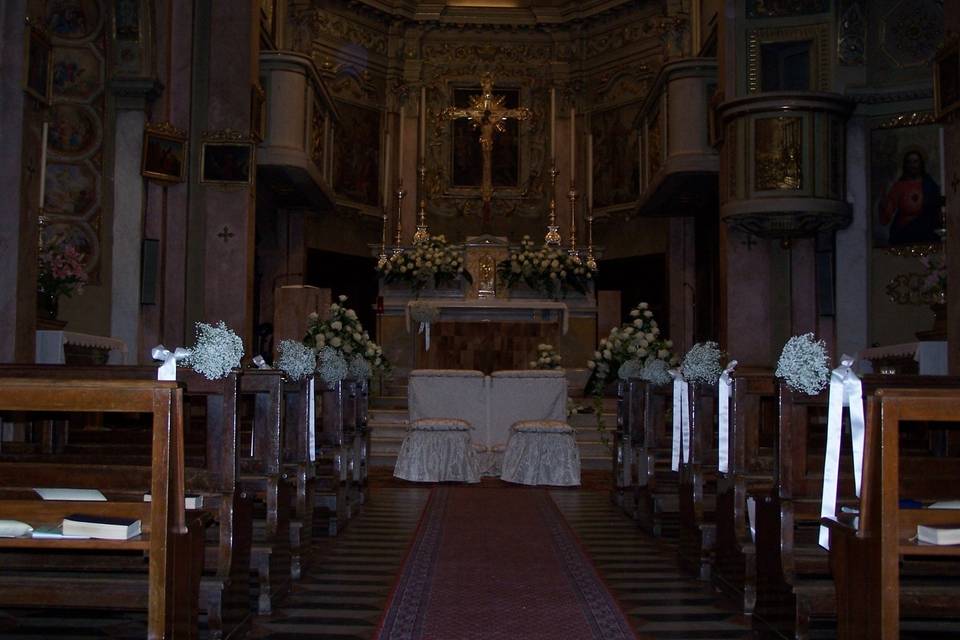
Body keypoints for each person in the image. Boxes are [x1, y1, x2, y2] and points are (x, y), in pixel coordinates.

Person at [879, 150, 942, 246]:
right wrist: (883, 204)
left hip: (927, 231)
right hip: (905, 231)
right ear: (905, 165)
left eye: (915, 161)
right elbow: (886, 215)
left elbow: (938, 209)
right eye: (909, 162)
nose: (913, 165)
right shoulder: (899, 186)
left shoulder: (930, 184)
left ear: (921, 163)